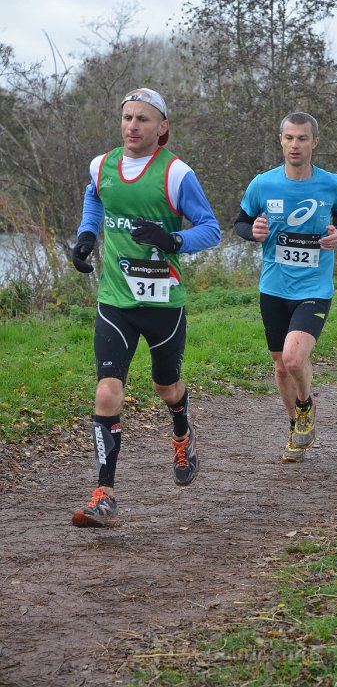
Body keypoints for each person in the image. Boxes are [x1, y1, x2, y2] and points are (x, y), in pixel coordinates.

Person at [71, 87, 221, 527]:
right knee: (106, 391)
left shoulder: (176, 174)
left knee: (166, 386)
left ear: (162, 127)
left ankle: (182, 432)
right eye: (127, 117)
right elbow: (95, 197)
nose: (132, 126)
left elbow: (211, 229)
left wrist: (173, 239)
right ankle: (104, 494)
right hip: (116, 299)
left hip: (163, 303)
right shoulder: (102, 165)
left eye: (143, 119)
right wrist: (87, 235)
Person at [234, 112, 337, 462]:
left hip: (314, 288)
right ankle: (295, 425)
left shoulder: (331, 184)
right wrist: (252, 232)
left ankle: (305, 406)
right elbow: (240, 222)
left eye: (302, 138)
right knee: (281, 365)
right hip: (273, 287)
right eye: (289, 138)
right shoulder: (263, 184)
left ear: (315, 142)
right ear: (281, 140)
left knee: (294, 357)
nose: (295, 145)